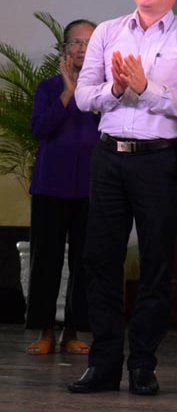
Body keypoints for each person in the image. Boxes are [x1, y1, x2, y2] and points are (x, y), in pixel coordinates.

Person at [69, 0, 177, 395]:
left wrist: (146, 88)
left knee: (156, 263)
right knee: (100, 260)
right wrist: (115, 88)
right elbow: (84, 97)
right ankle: (103, 364)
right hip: (109, 158)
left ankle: (143, 365)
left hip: (159, 160)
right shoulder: (108, 31)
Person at [26, 18, 100, 357]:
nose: (82, 49)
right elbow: (40, 129)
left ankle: (73, 332)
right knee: (46, 260)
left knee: (86, 262)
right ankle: (45, 331)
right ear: (64, 49)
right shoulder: (48, 88)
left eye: (89, 43)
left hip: (92, 189)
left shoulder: (104, 90)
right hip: (50, 187)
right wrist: (68, 92)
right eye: (76, 42)